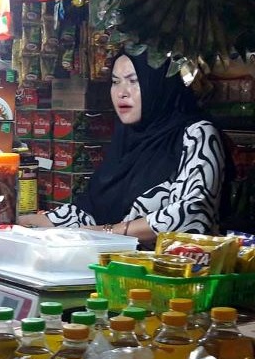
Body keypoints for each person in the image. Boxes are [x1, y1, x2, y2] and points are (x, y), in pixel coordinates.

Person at [20, 47, 226, 245]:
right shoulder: (126, 139)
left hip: (180, 274)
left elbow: (193, 212)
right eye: (115, 82)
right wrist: (26, 223)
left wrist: (109, 232)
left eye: (133, 81)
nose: (121, 92)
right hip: (117, 273)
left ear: (158, 84)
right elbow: (91, 213)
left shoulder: (197, 133)